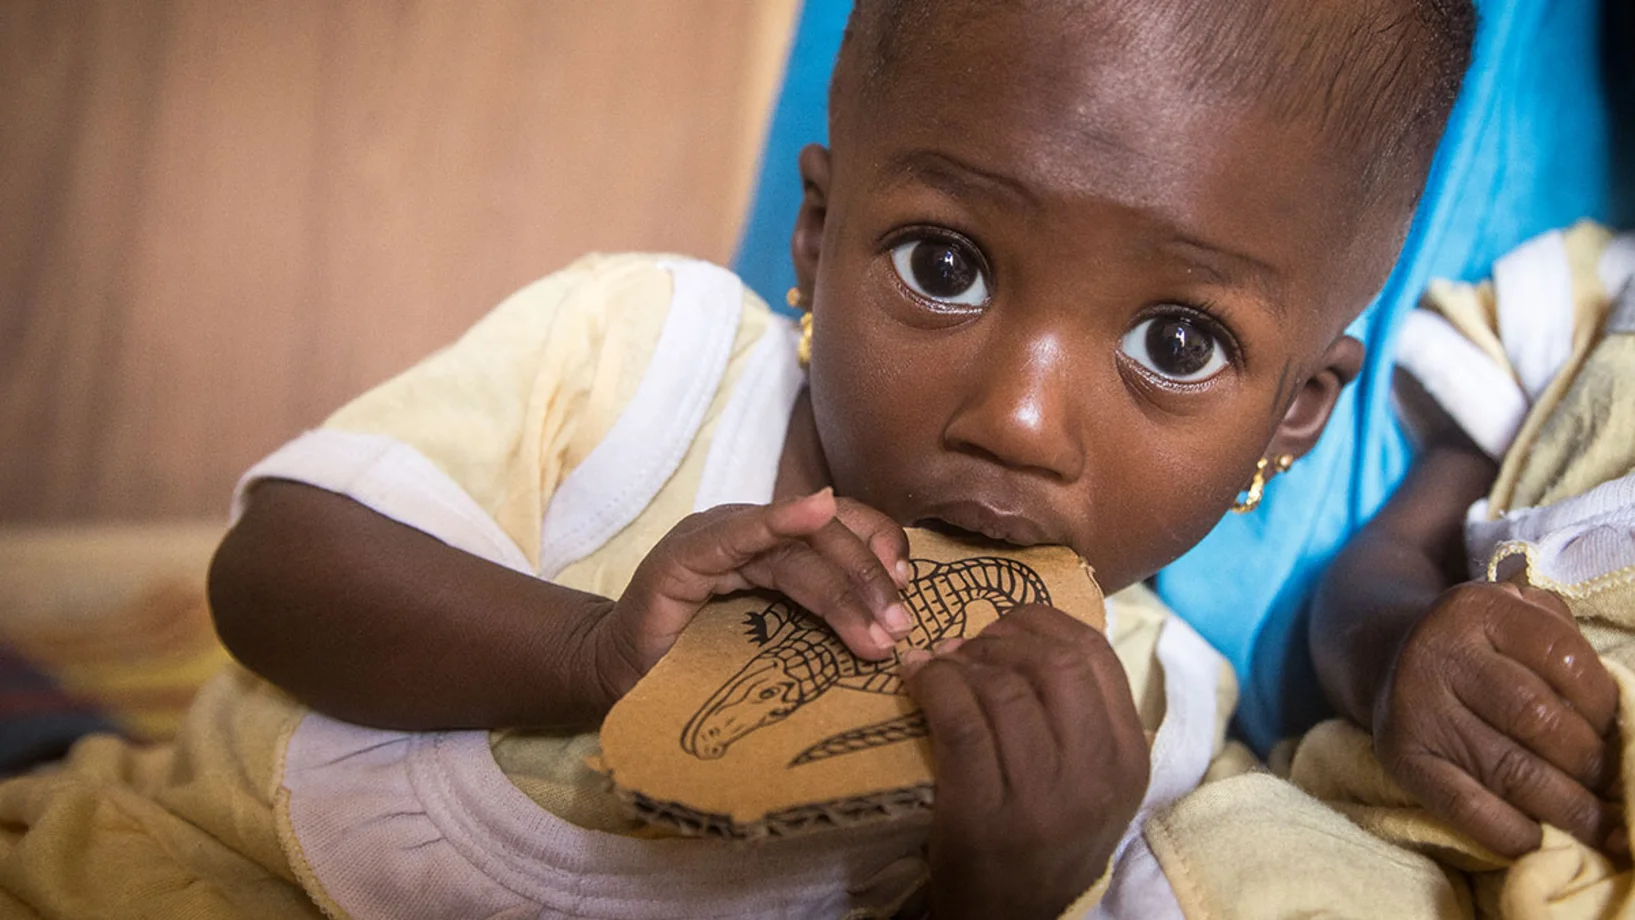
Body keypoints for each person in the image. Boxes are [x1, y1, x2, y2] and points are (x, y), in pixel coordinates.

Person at [0, 1, 1475, 917]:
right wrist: (589, 653)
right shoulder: (642, 349)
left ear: (1292, 417)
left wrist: (1000, 890)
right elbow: (271, 575)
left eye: (1173, 344)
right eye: (945, 262)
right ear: (819, 237)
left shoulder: (1133, 722)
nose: (1017, 419)